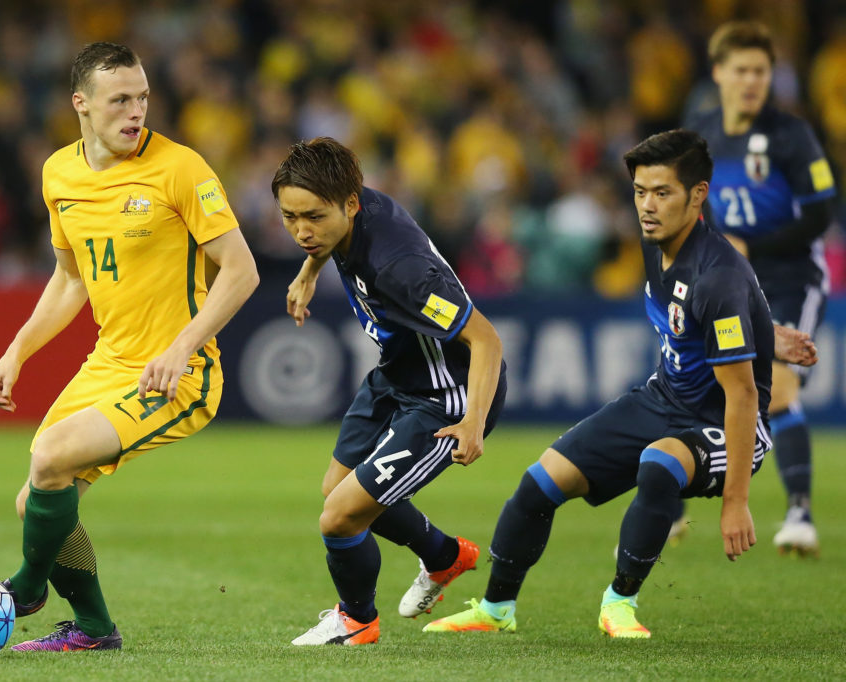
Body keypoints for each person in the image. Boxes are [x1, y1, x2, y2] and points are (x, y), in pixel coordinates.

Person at [423, 129, 818, 639]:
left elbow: (742, 395)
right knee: (537, 484)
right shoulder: (656, 243)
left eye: (662, 193)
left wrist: (736, 501)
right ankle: (495, 609)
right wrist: (770, 335)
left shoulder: (718, 276)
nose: (647, 206)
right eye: (639, 192)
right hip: (663, 398)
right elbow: (713, 322)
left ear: (698, 195)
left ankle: (620, 603)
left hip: (724, 424)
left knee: (659, 464)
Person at [0, 42, 259, 652]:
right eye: (120, 100)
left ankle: (24, 590)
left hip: (178, 375)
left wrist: (183, 347)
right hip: (111, 362)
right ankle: (93, 629)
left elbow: (241, 270)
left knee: (50, 456)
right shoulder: (59, 173)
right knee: (36, 500)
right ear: (81, 104)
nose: (136, 112)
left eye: (142, 98)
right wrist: (16, 352)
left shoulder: (180, 168)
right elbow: (69, 278)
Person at [274, 137, 507, 646]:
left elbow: (486, 339)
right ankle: (445, 556)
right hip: (396, 374)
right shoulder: (351, 205)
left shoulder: (399, 270)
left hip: (445, 398)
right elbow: (321, 232)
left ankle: (356, 621)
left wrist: (472, 422)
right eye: (290, 217)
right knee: (337, 490)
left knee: (338, 518)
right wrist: (309, 269)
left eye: (311, 217)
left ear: (351, 204)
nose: (301, 231)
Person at [685, 21, 836, 556]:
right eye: (742, 70)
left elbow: (822, 211)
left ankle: (799, 514)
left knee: (780, 384)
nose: (752, 81)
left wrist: (753, 245)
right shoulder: (700, 132)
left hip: (793, 278)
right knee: (698, 380)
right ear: (719, 72)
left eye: (762, 71)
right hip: (732, 279)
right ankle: (672, 503)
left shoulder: (791, 135)